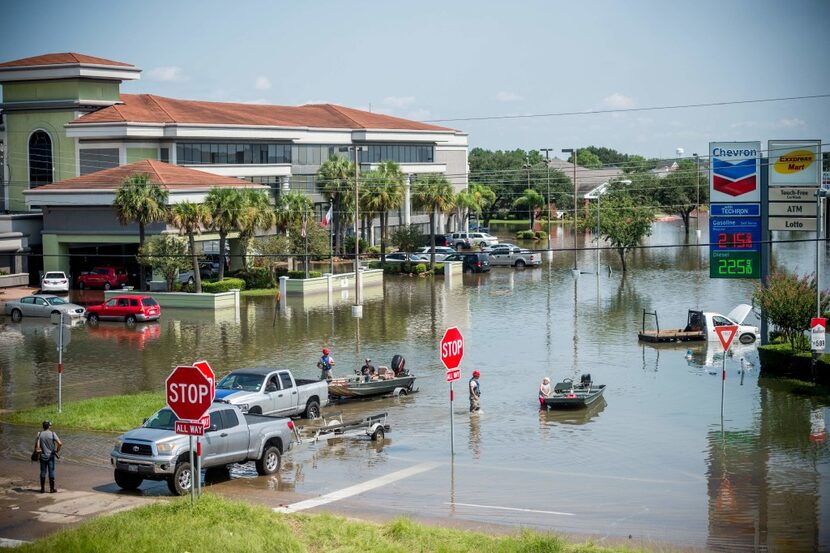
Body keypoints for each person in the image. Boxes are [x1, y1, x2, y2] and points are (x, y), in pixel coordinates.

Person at [34, 420, 62, 493]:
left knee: (43, 472)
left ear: (43, 426)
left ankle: (42, 489)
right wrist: (57, 451)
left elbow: (37, 446)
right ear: (49, 426)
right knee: (51, 471)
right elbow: (60, 443)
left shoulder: (40, 434)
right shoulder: (53, 434)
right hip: (51, 456)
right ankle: (52, 489)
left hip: (42, 456)